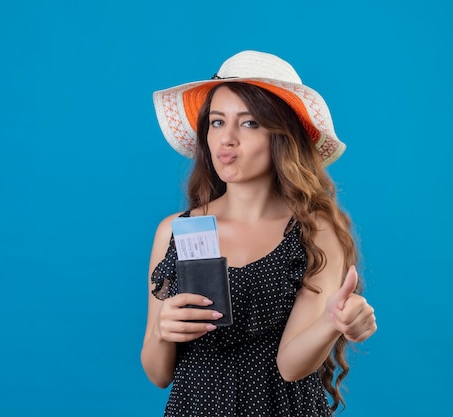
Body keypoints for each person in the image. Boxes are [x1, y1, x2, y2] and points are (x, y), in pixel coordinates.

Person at [141, 50, 377, 416]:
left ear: (282, 137)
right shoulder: (175, 232)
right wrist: (161, 330)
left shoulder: (315, 233)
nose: (227, 139)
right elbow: (158, 374)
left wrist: (332, 321)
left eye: (249, 123)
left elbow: (290, 365)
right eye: (217, 122)